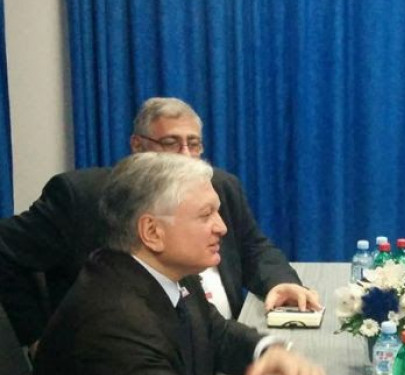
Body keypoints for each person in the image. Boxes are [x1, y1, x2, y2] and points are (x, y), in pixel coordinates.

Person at [1, 153, 327, 375]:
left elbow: (216, 333)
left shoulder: (166, 273)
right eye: (205, 215)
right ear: (152, 232)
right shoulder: (112, 318)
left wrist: (269, 350)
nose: (222, 227)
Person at [0, 97, 318, 347]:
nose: (185, 155)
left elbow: (253, 247)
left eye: (193, 144)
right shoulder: (82, 196)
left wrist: (280, 282)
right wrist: (36, 336)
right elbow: (5, 249)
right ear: (138, 146)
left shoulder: (220, 187)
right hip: (130, 356)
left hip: (220, 343)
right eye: (171, 143)